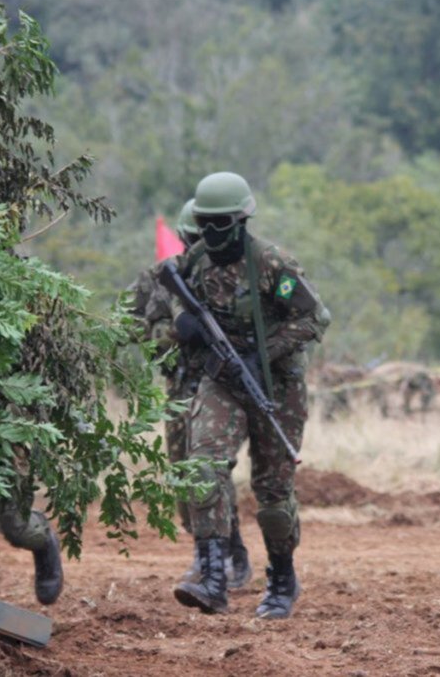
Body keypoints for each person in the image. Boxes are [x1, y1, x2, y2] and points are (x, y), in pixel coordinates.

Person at [169, 171, 329, 618]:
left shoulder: (273, 265)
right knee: (202, 468)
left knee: (273, 494)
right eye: (206, 223)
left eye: (221, 223)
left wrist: (264, 354)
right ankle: (214, 577)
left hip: (274, 385)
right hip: (221, 380)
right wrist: (187, 323)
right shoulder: (196, 260)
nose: (212, 233)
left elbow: (314, 318)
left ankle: (281, 579)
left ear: (241, 221)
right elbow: (179, 296)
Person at [126, 200, 252, 588]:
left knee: (210, 473)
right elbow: (128, 322)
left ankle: (228, 557)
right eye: (192, 239)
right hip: (180, 389)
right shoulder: (160, 278)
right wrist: (170, 332)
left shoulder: (234, 274)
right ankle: (208, 555)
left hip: (219, 388)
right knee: (184, 477)